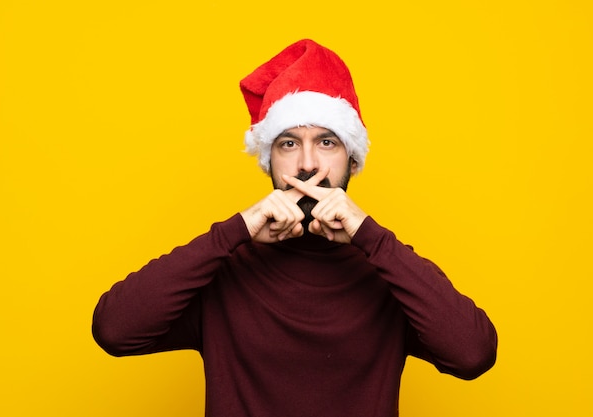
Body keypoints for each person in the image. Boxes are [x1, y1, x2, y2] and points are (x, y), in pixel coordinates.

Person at [92, 39, 497, 417]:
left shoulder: (389, 271)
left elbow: (472, 354)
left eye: (327, 143)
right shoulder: (226, 269)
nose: (307, 164)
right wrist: (233, 232)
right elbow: (115, 331)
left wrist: (371, 238)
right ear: (267, 161)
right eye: (288, 144)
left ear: (353, 161)